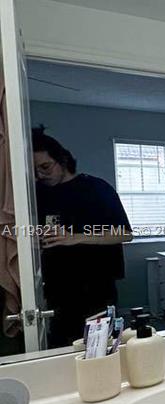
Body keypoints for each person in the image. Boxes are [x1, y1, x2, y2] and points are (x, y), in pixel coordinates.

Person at [32, 127, 133, 348]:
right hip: (55, 289)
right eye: (35, 170)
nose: (40, 174)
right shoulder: (36, 193)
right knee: (62, 350)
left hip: (96, 288)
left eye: (45, 166)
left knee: (99, 349)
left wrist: (76, 237)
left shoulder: (96, 188)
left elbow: (125, 234)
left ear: (63, 160)